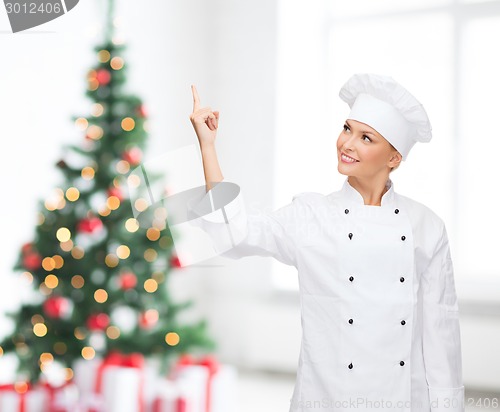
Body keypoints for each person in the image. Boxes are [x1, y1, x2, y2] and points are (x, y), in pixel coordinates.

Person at [188, 73, 464, 412]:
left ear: (394, 158)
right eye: (347, 129)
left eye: (366, 137)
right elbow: (234, 234)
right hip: (327, 399)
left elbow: (441, 332)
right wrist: (208, 147)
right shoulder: (312, 215)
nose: (347, 143)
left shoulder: (427, 226)